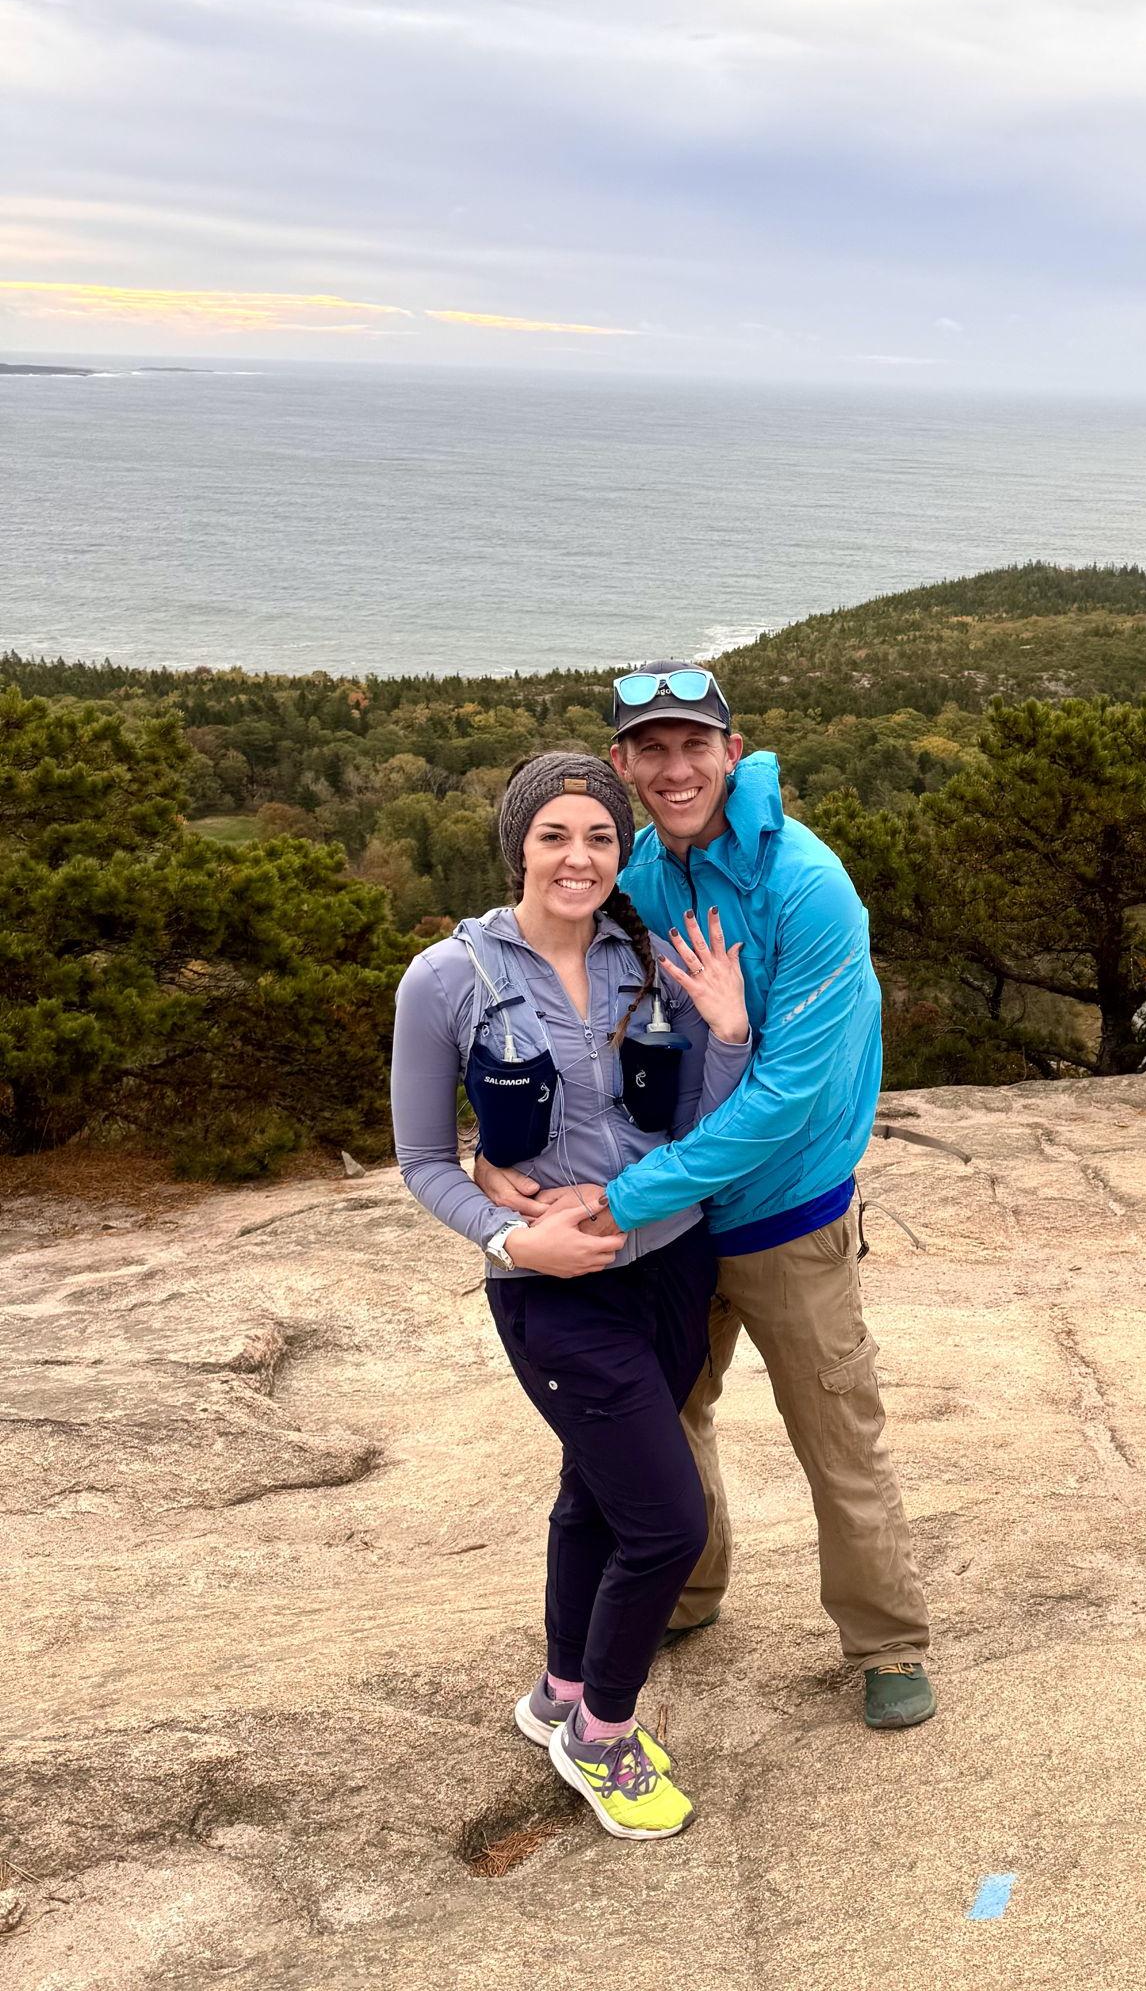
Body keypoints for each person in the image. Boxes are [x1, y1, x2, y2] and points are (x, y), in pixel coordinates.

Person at [475, 664, 934, 1731]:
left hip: (782, 1216)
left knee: (836, 1436)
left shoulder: (805, 885)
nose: (675, 768)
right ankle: (685, 1588)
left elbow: (781, 1099)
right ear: (625, 767)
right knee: (665, 1422)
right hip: (672, 1225)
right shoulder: (640, 872)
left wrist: (625, 1198)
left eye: (694, 745)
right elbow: (569, 1017)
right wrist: (501, 1155)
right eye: (651, 750)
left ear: (734, 750)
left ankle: (886, 1641)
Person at [390, 750, 753, 1840]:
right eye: (554, 835)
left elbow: (701, 1124)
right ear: (518, 846)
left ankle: (558, 1688)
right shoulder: (446, 978)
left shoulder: (647, 954)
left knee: (596, 1493)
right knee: (667, 1521)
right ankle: (601, 1731)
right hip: (557, 1298)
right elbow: (420, 1159)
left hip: (675, 1267)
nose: (579, 857)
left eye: (599, 835)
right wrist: (510, 1238)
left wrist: (728, 1029)